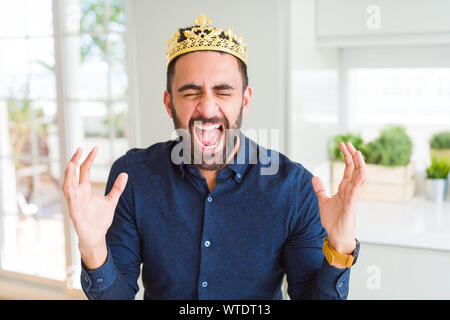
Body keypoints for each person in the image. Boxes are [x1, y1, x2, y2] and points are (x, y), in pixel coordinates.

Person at [62, 14, 367, 300]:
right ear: (169, 104)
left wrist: (340, 246)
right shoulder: (132, 176)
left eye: (223, 91)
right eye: (191, 92)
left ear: (244, 101)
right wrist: (92, 245)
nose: (208, 109)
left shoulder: (294, 188)